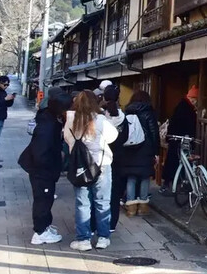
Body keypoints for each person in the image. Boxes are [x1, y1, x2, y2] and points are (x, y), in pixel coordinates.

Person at [64, 90, 118, 251]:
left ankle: (84, 240)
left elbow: (67, 139)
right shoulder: (101, 120)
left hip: (80, 167)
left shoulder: (71, 119)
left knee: (82, 203)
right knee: (102, 202)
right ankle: (103, 238)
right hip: (102, 165)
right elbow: (112, 137)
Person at [21, 91, 70, 245]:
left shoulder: (49, 118)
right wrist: (50, 167)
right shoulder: (48, 126)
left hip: (41, 167)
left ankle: (45, 226)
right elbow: (40, 152)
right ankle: (40, 232)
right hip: (41, 169)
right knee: (42, 200)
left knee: (46, 199)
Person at [121, 91, 160, 216]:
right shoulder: (149, 113)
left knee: (131, 176)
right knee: (144, 176)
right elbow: (154, 134)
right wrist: (156, 152)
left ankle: (131, 207)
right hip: (146, 149)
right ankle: (143, 206)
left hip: (130, 148)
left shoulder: (126, 111)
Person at [99, 84, 128, 232]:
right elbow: (125, 137)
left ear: (104, 97)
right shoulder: (123, 117)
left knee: (99, 192)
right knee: (115, 193)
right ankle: (111, 224)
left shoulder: (100, 116)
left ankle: (96, 223)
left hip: (102, 156)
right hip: (119, 158)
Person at [160, 86, 198, 195]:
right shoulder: (187, 108)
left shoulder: (182, 106)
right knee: (177, 161)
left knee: (174, 161)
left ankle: (170, 184)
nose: (195, 103)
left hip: (176, 138)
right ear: (192, 99)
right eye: (195, 100)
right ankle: (174, 184)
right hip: (180, 139)